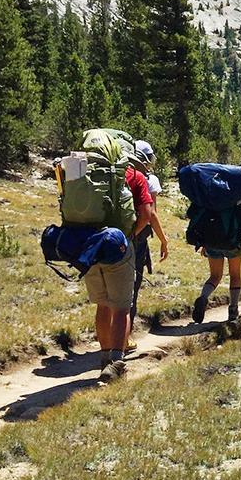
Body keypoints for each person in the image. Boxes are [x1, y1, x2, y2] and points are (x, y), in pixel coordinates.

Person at [87, 158, 154, 382]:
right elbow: (146, 214)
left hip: (90, 246)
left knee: (103, 304)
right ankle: (116, 363)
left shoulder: (89, 173)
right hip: (119, 246)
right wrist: (130, 235)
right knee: (122, 308)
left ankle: (104, 358)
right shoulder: (135, 177)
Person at [127, 140, 169, 350]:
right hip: (136, 237)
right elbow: (151, 215)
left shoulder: (118, 174)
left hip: (110, 235)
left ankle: (108, 336)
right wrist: (163, 239)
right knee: (131, 286)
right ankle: (124, 338)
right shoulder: (148, 179)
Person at [192, 193, 241, 324]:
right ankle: (233, 310)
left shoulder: (214, 194)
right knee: (235, 275)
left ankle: (203, 297)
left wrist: (204, 243)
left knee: (215, 276)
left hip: (212, 241)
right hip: (234, 243)